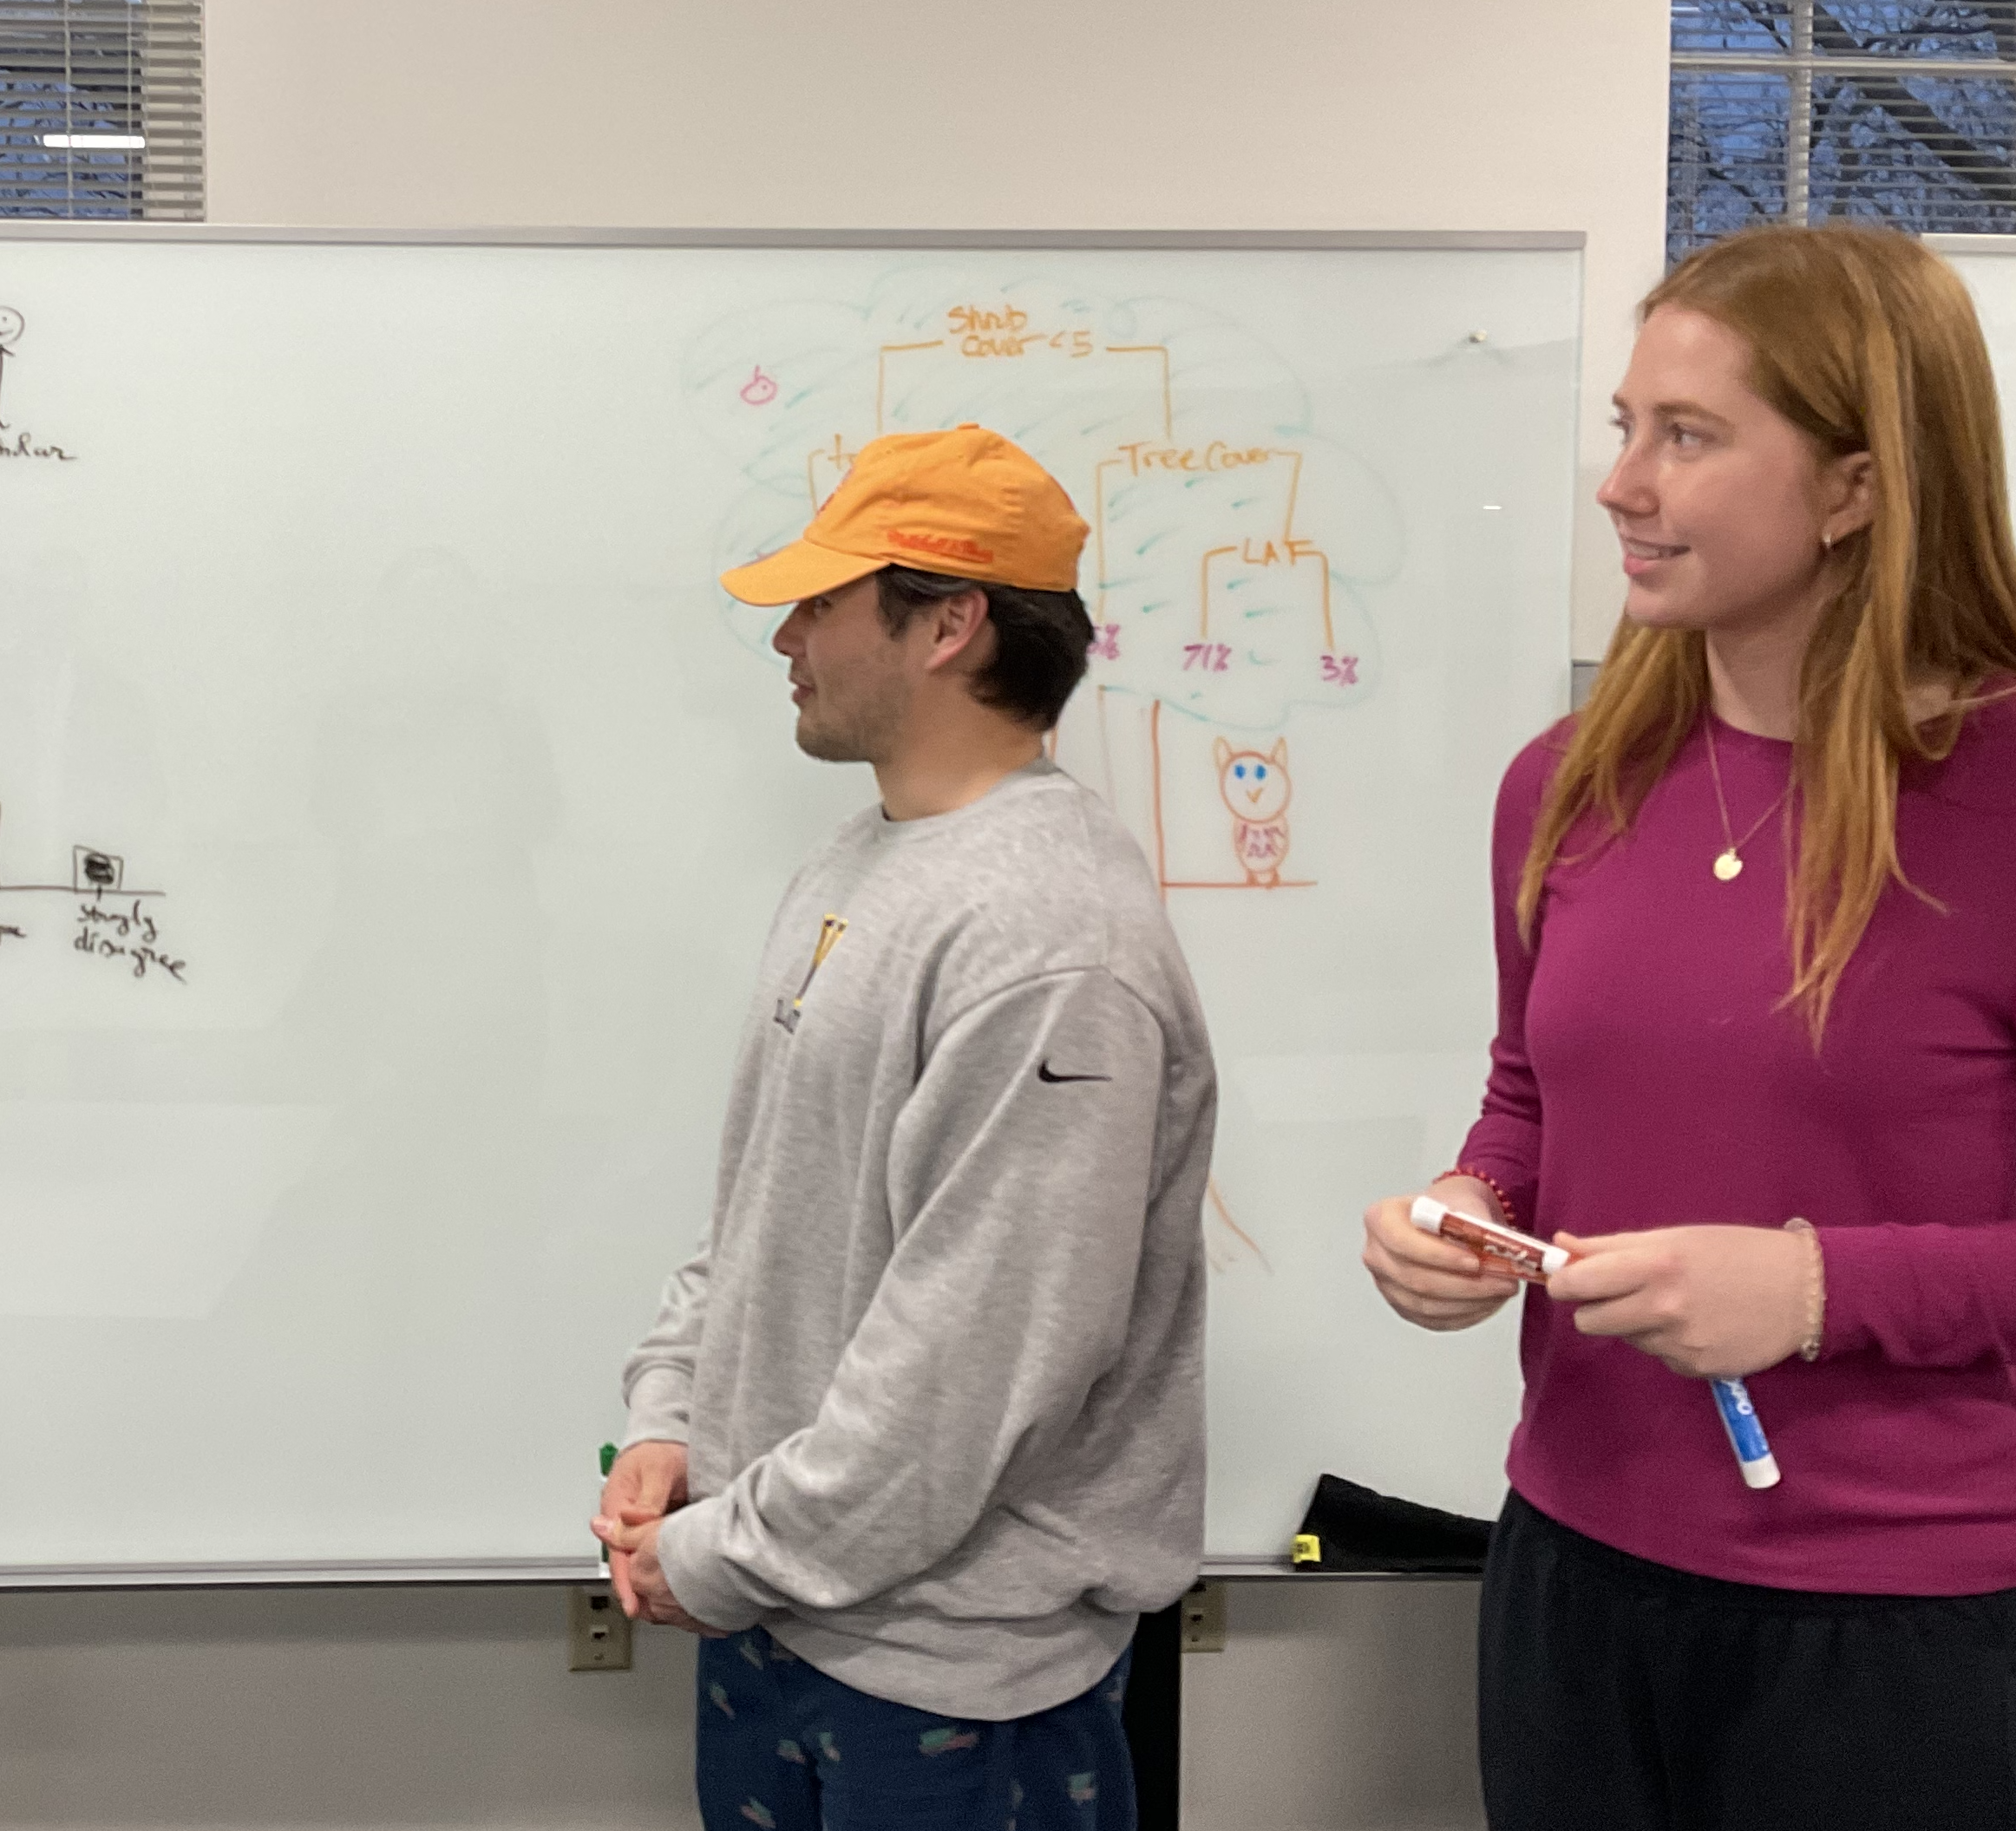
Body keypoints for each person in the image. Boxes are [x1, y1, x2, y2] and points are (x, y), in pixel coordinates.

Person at [1358, 222, 2016, 1829]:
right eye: (1622, 428)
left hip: (1908, 1627)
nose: (1620, 484)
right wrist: (1468, 1208)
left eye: (1688, 436)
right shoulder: (1565, 783)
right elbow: (1528, 1093)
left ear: (1858, 486)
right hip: (1571, 1574)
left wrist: (1812, 1285)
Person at [595, 428, 1217, 1831]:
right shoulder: (860, 859)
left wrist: (721, 1553)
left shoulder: (1053, 938)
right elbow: (762, 1201)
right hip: (785, 1607)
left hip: (948, 1674)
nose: (785, 641)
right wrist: (672, 1419)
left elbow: (968, 1374)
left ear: (950, 621)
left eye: (819, 602)